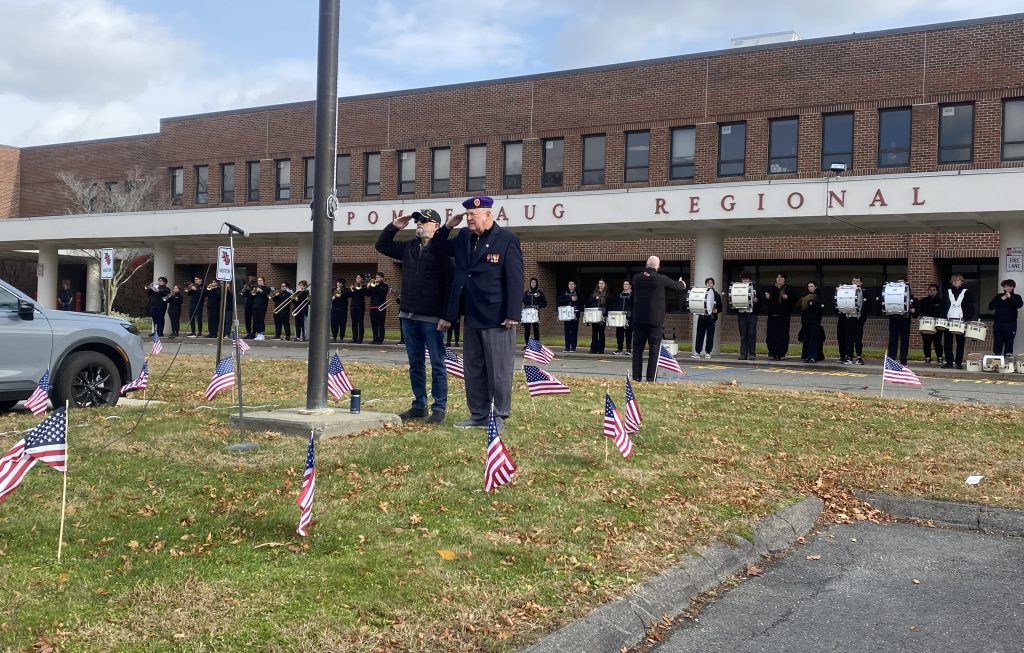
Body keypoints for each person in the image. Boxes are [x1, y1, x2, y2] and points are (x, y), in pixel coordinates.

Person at [428, 196, 524, 432]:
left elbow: (515, 277)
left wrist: (513, 312)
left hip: (497, 316)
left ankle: (499, 415)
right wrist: (448, 225)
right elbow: (436, 249)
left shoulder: (507, 239)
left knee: (499, 370)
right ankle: (479, 414)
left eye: (474, 215)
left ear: (489, 215)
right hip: (471, 313)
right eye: (468, 214)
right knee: (474, 369)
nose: (469, 219)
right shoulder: (463, 237)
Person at [375, 208, 453, 423]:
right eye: (418, 221)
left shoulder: (443, 251)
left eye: (424, 221)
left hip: (432, 318)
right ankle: (419, 405)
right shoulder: (409, 247)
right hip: (408, 315)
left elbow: (450, 286)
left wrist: (446, 316)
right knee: (415, 363)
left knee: (437, 364)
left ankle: (439, 407)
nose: (419, 224)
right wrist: (394, 227)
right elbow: (381, 246)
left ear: (436, 226)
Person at [631, 256, 688, 382]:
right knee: (654, 350)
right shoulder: (660, 279)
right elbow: (677, 286)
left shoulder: (636, 278)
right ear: (658, 267)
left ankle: (636, 377)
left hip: (639, 319)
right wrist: (682, 283)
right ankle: (650, 379)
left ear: (646, 264)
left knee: (637, 350)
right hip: (654, 321)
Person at [942, 273, 976, 369]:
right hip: (948, 320)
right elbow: (943, 306)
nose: (956, 281)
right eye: (954, 280)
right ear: (952, 282)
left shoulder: (967, 292)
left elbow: (971, 307)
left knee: (960, 343)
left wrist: (969, 319)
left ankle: (958, 362)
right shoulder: (947, 292)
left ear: (962, 282)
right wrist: (942, 318)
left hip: (961, 320)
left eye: (958, 280)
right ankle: (949, 362)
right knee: (947, 342)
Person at [837, 274, 870, 365]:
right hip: (848, 318)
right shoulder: (847, 291)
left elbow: (868, 306)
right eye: (854, 281)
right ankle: (849, 357)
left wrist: (863, 317)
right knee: (848, 338)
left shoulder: (864, 292)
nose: (855, 283)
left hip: (859, 319)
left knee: (858, 338)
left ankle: (859, 357)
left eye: (857, 281)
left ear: (861, 283)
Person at [763, 272, 795, 361]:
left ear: (784, 279)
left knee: (783, 335)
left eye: (781, 277)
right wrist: (766, 297)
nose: (779, 279)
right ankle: (772, 353)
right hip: (772, 315)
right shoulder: (771, 288)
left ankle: (782, 354)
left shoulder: (789, 289)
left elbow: (794, 301)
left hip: (784, 316)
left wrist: (787, 298)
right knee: (771, 334)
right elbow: (766, 303)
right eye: (778, 277)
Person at [989, 279, 1022, 357]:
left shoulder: (1016, 297)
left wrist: (1010, 298)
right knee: (997, 342)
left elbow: (1019, 304)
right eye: (1005, 287)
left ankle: (1007, 362)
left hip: (1011, 324)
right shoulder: (999, 296)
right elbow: (991, 306)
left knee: (1009, 342)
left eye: (1008, 286)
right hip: (998, 323)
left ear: (1012, 287)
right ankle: (997, 361)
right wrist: (1001, 299)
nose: (1006, 288)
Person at [692, 277, 722, 359]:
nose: (709, 284)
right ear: (705, 284)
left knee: (710, 336)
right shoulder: (701, 293)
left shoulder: (717, 295)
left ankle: (708, 352)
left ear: (713, 284)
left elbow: (720, 308)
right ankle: (697, 352)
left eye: (711, 283)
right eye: (708, 283)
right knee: (699, 335)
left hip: (711, 318)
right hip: (702, 317)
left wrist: (717, 310)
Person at [886, 279, 915, 365]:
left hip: (905, 319)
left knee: (904, 340)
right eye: (898, 283)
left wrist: (913, 309)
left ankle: (903, 360)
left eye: (902, 283)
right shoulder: (891, 295)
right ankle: (891, 359)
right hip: (894, 318)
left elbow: (915, 309)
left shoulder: (911, 296)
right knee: (892, 339)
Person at [917, 283, 944, 364]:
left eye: (934, 290)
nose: (932, 291)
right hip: (926, 325)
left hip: (937, 325)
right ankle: (927, 358)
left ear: (937, 292)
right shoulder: (923, 301)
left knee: (937, 343)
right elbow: (918, 312)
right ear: (928, 291)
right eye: (930, 290)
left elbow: (943, 313)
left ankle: (939, 357)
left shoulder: (941, 301)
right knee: (926, 343)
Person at [799, 281, 824, 363]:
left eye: (812, 286)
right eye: (809, 286)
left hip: (815, 320)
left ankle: (813, 356)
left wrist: (812, 303)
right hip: (805, 320)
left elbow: (820, 307)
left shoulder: (819, 296)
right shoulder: (804, 295)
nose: (810, 288)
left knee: (814, 338)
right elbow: (800, 306)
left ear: (815, 287)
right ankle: (805, 356)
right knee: (806, 338)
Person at [736, 271, 758, 360]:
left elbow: (761, 301)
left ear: (750, 279)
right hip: (742, 314)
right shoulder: (738, 288)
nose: (745, 281)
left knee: (751, 334)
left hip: (752, 314)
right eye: (743, 279)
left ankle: (752, 353)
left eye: (747, 279)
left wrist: (756, 300)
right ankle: (743, 353)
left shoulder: (755, 287)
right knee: (743, 334)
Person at [557, 280, 583, 352]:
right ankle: (567, 347)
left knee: (574, 331)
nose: (571, 285)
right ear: (568, 286)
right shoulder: (564, 293)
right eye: (570, 284)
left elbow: (581, 302)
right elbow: (559, 301)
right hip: (566, 315)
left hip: (575, 314)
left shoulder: (578, 293)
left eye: (572, 284)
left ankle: (573, 347)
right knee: (567, 331)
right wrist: (570, 299)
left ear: (575, 285)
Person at [522, 277, 547, 347]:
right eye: (532, 282)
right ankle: (527, 344)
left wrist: (539, 306)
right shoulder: (526, 293)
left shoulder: (540, 293)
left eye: (534, 282)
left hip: (536, 313)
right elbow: (524, 300)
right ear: (530, 283)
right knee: (527, 329)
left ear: (536, 284)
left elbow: (544, 303)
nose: (533, 284)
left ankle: (536, 345)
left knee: (536, 329)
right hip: (528, 313)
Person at [587, 279, 609, 354]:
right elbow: (589, 302)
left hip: (603, 315)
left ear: (605, 284)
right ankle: (593, 348)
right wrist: (594, 298)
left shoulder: (607, 294)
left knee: (601, 332)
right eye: (600, 283)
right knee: (594, 332)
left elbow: (609, 304)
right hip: (595, 314)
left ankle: (601, 349)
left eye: (602, 283)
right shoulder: (594, 293)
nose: (601, 285)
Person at [368, 273, 389, 344]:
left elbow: (382, 294)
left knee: (380, 324)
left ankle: (380, 339)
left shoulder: (385, 286)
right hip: (372, 307)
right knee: (374, 324)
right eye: (376, 277)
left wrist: (376, 286)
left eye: (378, 277)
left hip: (381, 307)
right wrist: (369, 287)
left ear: (382, 278)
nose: (376, 279)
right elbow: (368, 295)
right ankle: (375, 339)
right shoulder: (373, 286)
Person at [613, 279, 634, 355]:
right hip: (620, 317)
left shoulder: (633, 295)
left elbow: (635, 306)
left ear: (630, 286)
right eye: (624, 284)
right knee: (619, 333)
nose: (625, 285)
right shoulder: (619, 294)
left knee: (628, 334)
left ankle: (628, 349)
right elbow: (615, 304)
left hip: (629, 317)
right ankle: (619, 349)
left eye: (627, 284)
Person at [331, 278, 350, 342]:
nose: (338, 284)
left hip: (343, 309)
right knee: (334, 324)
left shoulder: (346, 290)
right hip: (334, 309)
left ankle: (341, 338)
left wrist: (340, 291)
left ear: (343, 284)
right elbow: (331, 298)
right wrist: (335, 294)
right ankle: (334, 337)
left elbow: (346, 296)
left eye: (340, 283)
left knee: (342, 324)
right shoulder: (333, 290)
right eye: (337, 282)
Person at [350, 274, 366, 343]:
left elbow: (366, 294)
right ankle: (354, 338)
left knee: (360, 323)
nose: (357, 278)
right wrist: (351, 289)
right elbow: (349, 295)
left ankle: (360, 339)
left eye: (359, 278)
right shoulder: (353, 287)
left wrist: (366, 287)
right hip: (353, 306)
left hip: (360, 306)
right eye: (357, 277)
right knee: (354, 323)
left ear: (362, 280)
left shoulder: (363, 287)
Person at [251, 276, 269, 340]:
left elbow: (267, 296)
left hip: (262, 306)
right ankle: (258, 333)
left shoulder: (266, 288)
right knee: (256, 320)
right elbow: (252, 296)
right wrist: (253, 292)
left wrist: (260, 291)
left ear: (263, 281)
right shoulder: (255, 288)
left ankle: (262, 334)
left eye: (260, 280)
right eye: (258, 281)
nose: (259, 282)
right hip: (255, 306)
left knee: (261, 320)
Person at [241, 273, 257, 338]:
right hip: (248, 304)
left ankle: (253, 333)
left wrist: (251, 288)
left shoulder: (256, 284)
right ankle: (248, 333)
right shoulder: (247, 284)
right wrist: (244, 289)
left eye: (251, 277)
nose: (249, 278)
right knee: (247, 319)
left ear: (254, 277)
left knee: (255, 319)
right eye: (249, 277)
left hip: (254, 304)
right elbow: (243, 294)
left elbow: (255, 292)